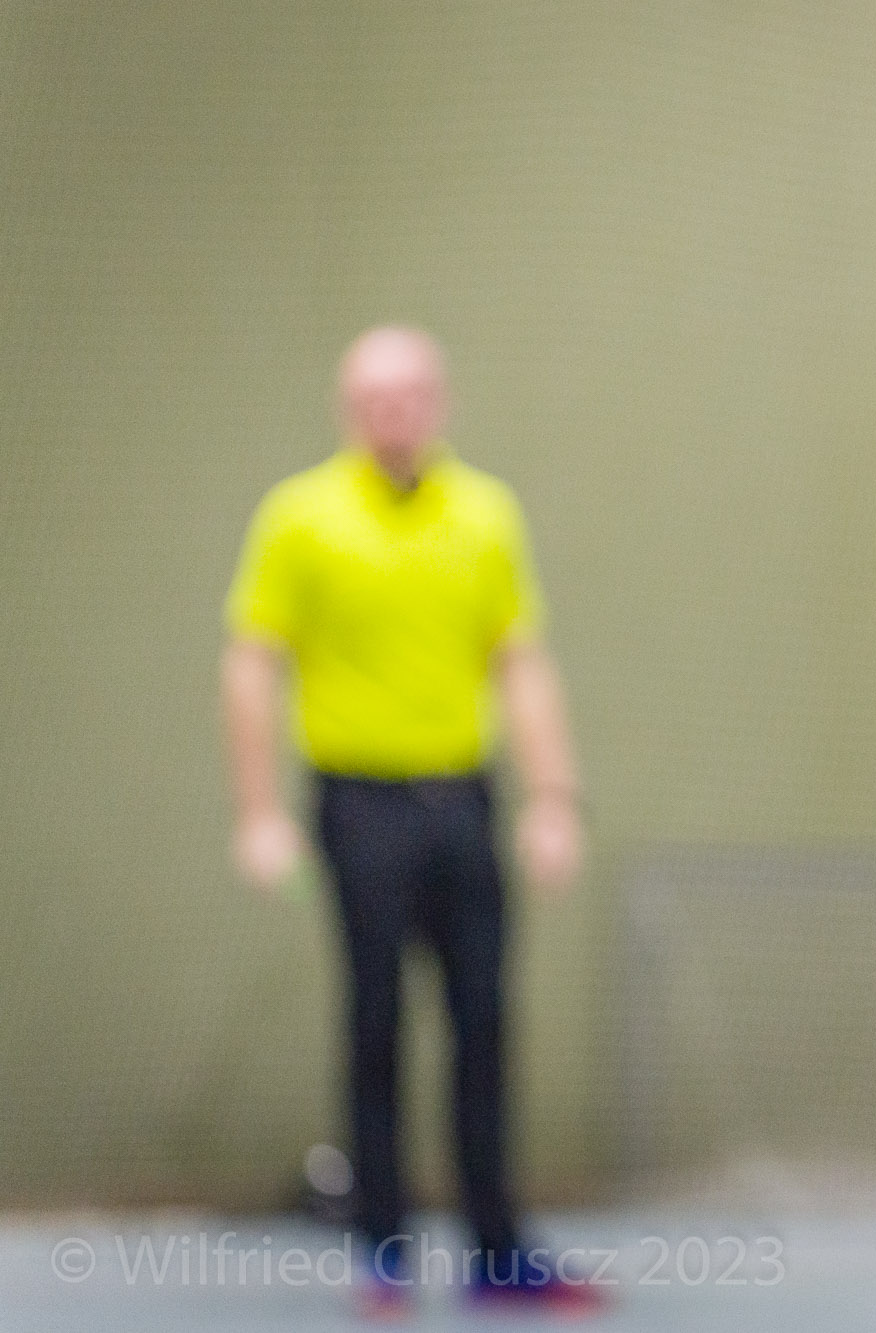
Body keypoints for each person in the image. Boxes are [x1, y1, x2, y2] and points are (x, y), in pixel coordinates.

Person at [222, 326, 596, 1316]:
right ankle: (382, 1246)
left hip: (462, 798)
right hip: (358, 804)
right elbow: (253, 662)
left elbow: (519, 660)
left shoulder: (486, 513)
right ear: (349, 408)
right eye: (374, 397)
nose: (394, 413)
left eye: (411, 393)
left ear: (440, 401)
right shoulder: (299, 517)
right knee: (375, 1016)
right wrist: (259, 813)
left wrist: (553, 797)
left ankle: (497, 1252)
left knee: (484, 1018)